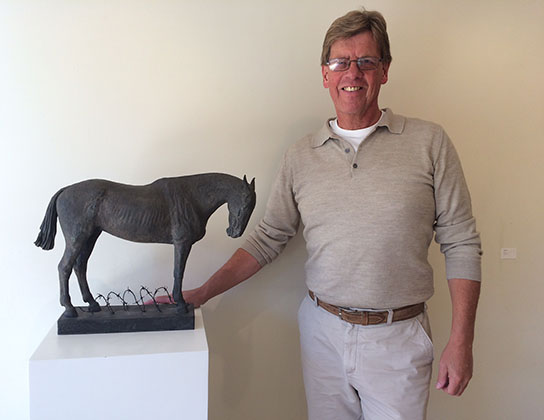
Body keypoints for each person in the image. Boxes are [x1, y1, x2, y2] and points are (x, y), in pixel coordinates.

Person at [179, 9, 481, 419]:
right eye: (340, 62)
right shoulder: (300, 156)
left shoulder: (430, 143)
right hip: (322, 333)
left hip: (399, 339)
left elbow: (461, 241)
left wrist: (462, 341)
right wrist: (202, 292)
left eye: (366, 61)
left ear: (384, 70)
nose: (352, 73)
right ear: (325, 74)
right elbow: (268, 239)